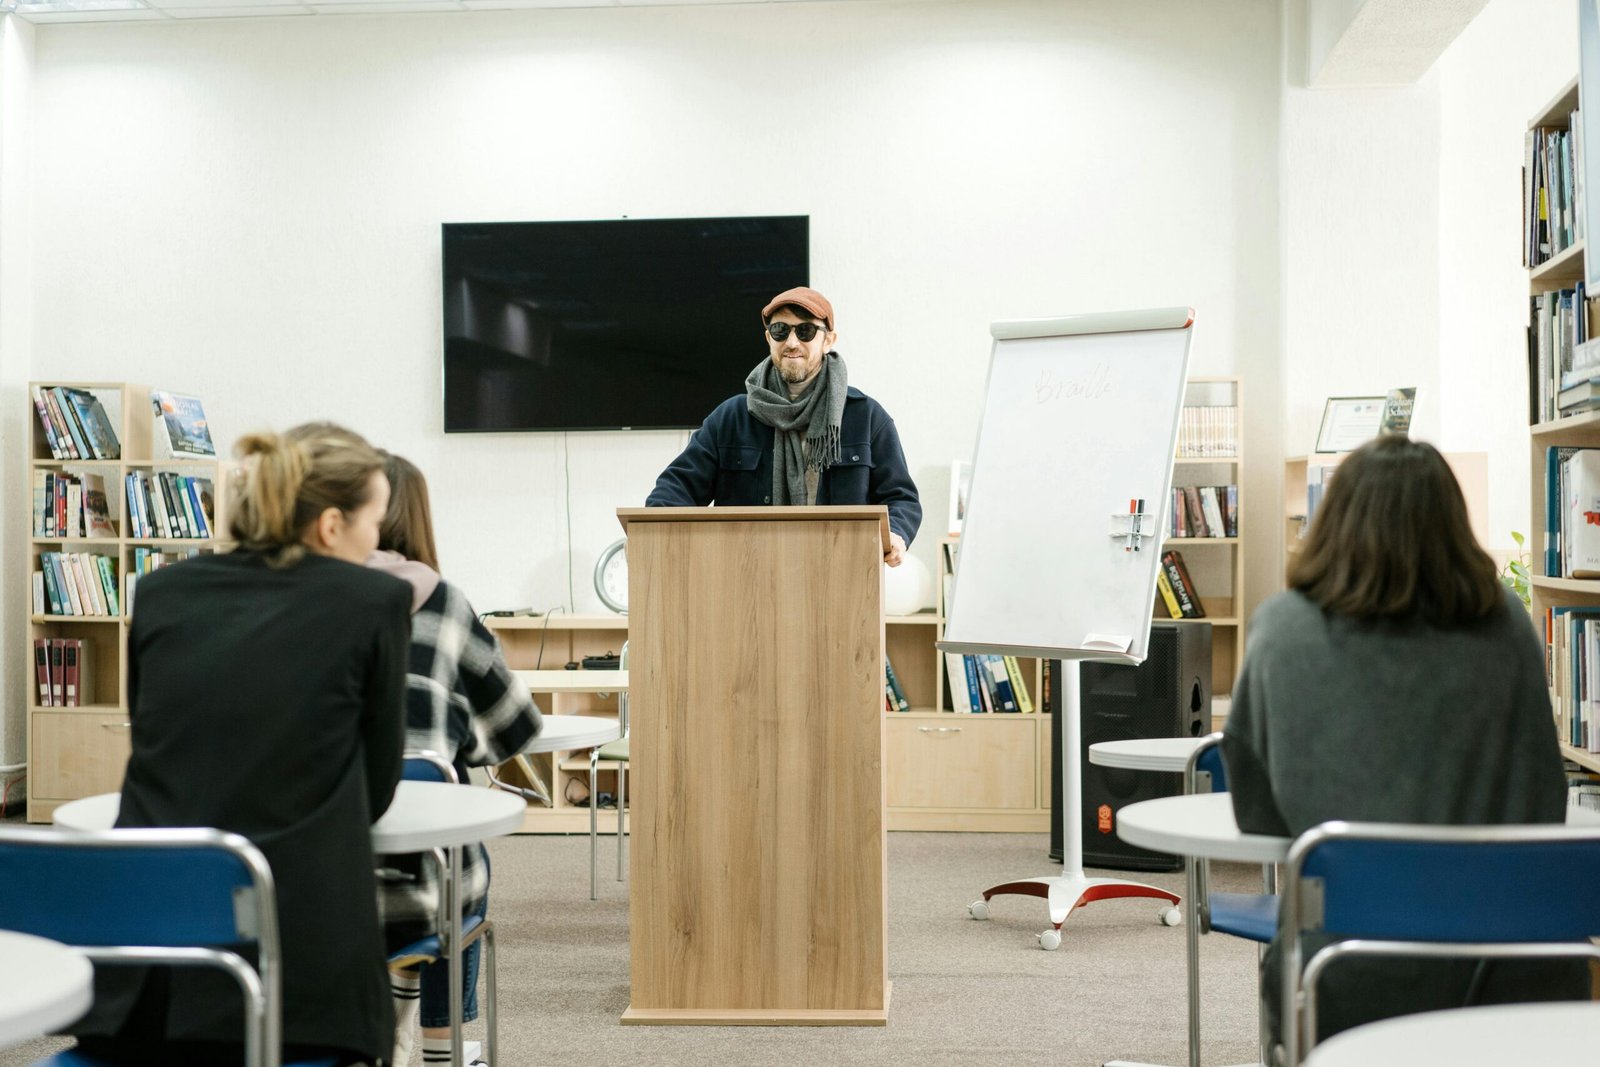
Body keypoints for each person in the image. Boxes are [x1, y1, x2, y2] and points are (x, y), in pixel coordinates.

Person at [1220, 435, 1587, 1054]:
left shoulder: (1282, 630)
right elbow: (1541, 802)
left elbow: (1258, 817)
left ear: (1333, 519)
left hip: (1348, 974)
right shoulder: (1507, 624)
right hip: (1516, 974)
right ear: (1453, 525)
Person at [75, 422, 412, 1067]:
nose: (378, 543)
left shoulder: (160, 591)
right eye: (375, 523)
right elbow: (375, 786)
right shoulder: (373, 601)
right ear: (332, 526)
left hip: (145, 973)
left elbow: (151, 735)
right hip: (298, 983)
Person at [367, 453, 544, 1067]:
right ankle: (442, 1046)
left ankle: (388, 1018)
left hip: (310, 873)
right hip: (420, 882)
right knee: (459, 861)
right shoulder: (443, 602)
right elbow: (514, 727)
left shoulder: (308, 601)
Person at [646, 286, 921, 563]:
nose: (791, 342)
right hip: (748, 575)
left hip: (839, 574)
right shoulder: (730, 418)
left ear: (828, 340)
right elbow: (677, 487)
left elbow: (901, 498)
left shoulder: (867, 417)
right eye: (780, 330)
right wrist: (648, 532)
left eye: (805, 331)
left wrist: (896, 534)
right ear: (769, 338)